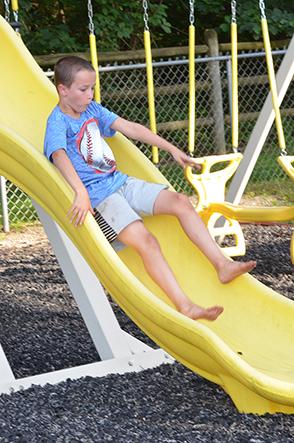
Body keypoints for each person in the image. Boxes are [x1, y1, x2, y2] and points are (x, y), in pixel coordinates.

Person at [44, 56, 256, 322]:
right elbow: (59, 154)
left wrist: (171, 148)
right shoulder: (57, 122)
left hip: (119, 181)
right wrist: (80, 191)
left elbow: (131, 128)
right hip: (100, 199)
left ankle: (222, 265)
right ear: (63, 89)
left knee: (180, 201)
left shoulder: (92, 110)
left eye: (92, 88)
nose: (90, 94)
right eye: (83, 89)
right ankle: (185, 305)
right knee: (148, 242)